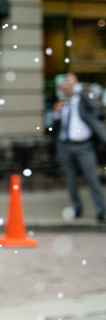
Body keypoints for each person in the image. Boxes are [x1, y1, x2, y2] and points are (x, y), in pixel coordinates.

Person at [54, 73, 106, 222]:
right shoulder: (62, 105)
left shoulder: (83, 100)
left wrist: (78, 88)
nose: (67, 89)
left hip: (84, 146)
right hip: (66, 146)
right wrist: (57, 115)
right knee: (71, 181)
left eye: (70, 85)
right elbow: (56, 129)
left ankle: (101, 211)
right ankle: (77, 209)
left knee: (92, 178)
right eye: (65, 86)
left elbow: (93, 105)